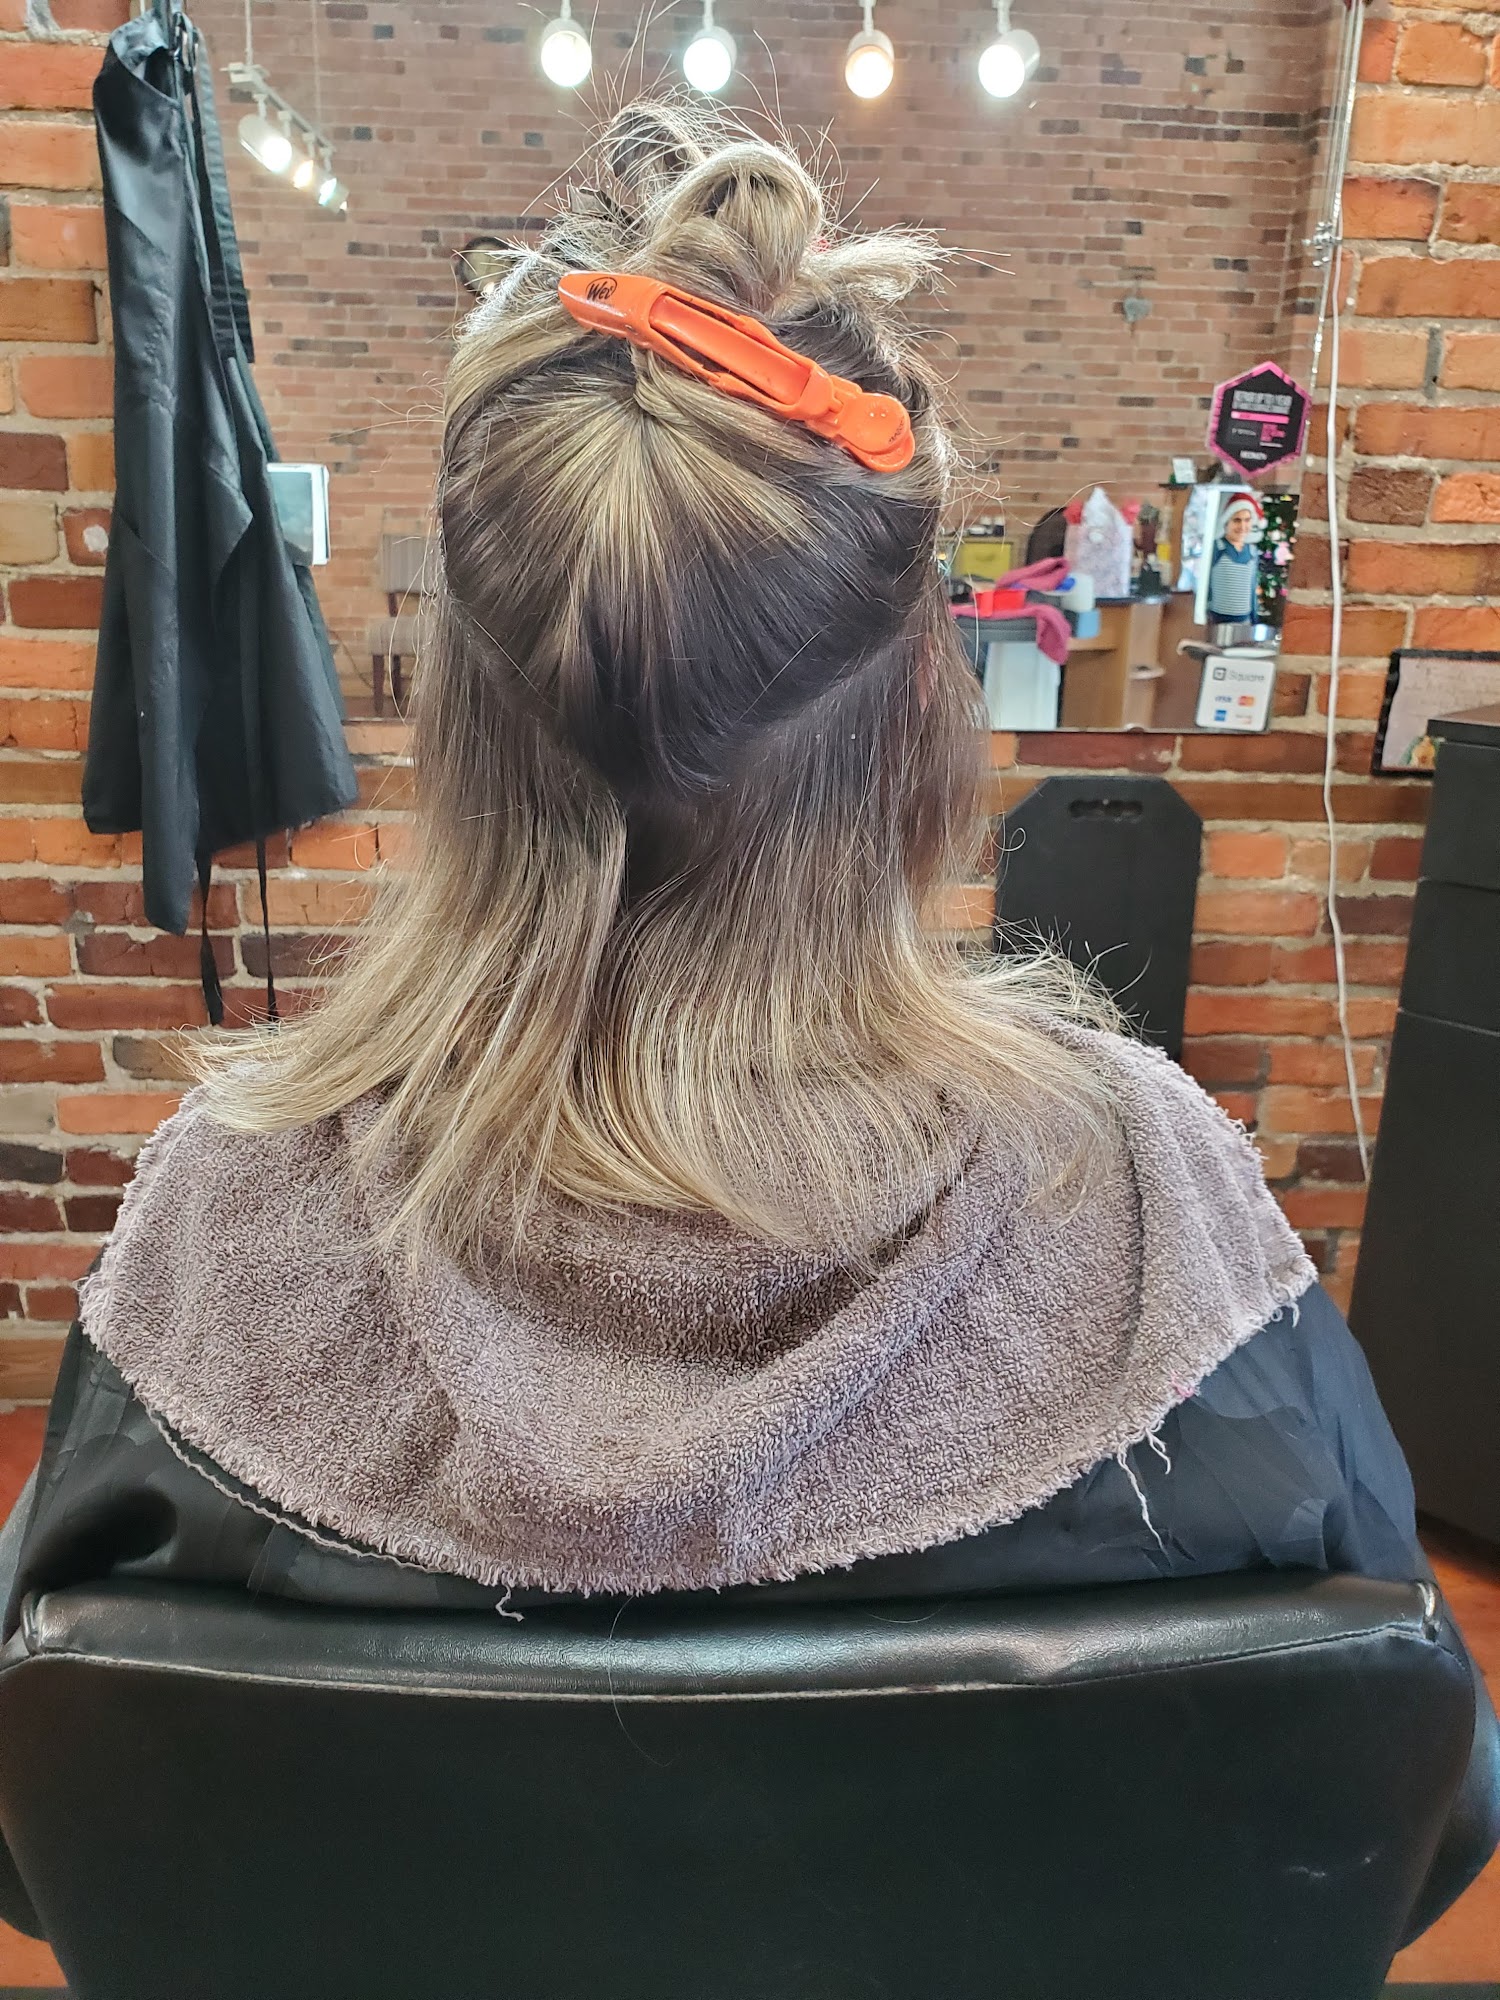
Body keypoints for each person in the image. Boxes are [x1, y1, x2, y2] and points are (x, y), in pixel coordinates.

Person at [2, 104, 1495, 1941]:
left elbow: (51, 1830)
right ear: (924, 729)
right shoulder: (1147, 1209)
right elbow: (1417, 1806)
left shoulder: (223, 1224)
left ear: (457, 735)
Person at [1205, 490, 1263, 624]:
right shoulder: (1217, 547)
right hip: (1218, 619)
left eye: (1247, 520)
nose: (1242, 526)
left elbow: (1251, 588)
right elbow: (1206, 585)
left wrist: (1254, 619)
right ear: (1227, 522)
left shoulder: (1252, 551)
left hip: (1244, 620)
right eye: (1237, 520)